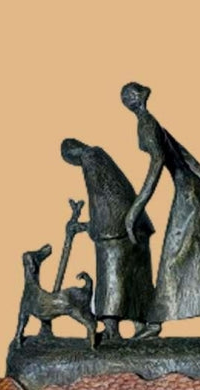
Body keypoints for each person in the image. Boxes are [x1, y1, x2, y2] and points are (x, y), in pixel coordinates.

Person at [121, 82, 200, 336]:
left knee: (176, 257)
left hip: (190, 196)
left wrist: (136, 208)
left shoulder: (147, 124)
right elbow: (190, 160)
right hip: (194, 193)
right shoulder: (152, 123)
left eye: (127, 97)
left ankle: (155, 321)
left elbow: (158, 162)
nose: (126, 101)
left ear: (132, 101)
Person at [60, 139, 157, 339]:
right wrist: (86, 226)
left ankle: (112, 329)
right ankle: (142, 325)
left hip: (115, 233)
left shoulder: (90, 159)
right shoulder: (102, 158)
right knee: (136, 278)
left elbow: (102, 204)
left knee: (111, 278)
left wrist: (88, 228)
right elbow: (113, 201)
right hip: (136, 226)